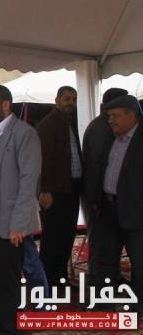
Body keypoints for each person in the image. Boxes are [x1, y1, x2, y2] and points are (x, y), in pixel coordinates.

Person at [0, 85, 41, 335]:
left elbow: (29, 181)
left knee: (8, 276)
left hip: (10, 220)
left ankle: (11, 327)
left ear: (5, 105)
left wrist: (19, 224)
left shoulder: (24, 133)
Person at [89, 95, 142, 315]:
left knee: (139, 262)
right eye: (109, 116)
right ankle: (104, 305)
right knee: (106, 261)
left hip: (135, 212)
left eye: (115, 116)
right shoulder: (113, 138)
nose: (111, 121)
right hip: (108, 209)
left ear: (132, 115)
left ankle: (139, 307)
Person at [37, 86, 82, 288]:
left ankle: (60, 277)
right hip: (55, 190)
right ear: (57, 100)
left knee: (67, 234)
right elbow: (43, 159)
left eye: (73, 99)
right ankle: (49, 280)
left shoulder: (72, 122)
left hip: (72, 188)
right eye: (66, 98)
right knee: (53, 236)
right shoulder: (48, 124)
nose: (70, 102)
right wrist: (45, 190)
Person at [81, 88, 128, 286]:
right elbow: (97, 167)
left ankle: (110, 278)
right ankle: (98, 282)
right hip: (98, 196)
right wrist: (96, 199)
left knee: (108, 243)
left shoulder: (104, 125)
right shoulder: (102, 128)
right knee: (101, 243)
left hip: (100, 196)